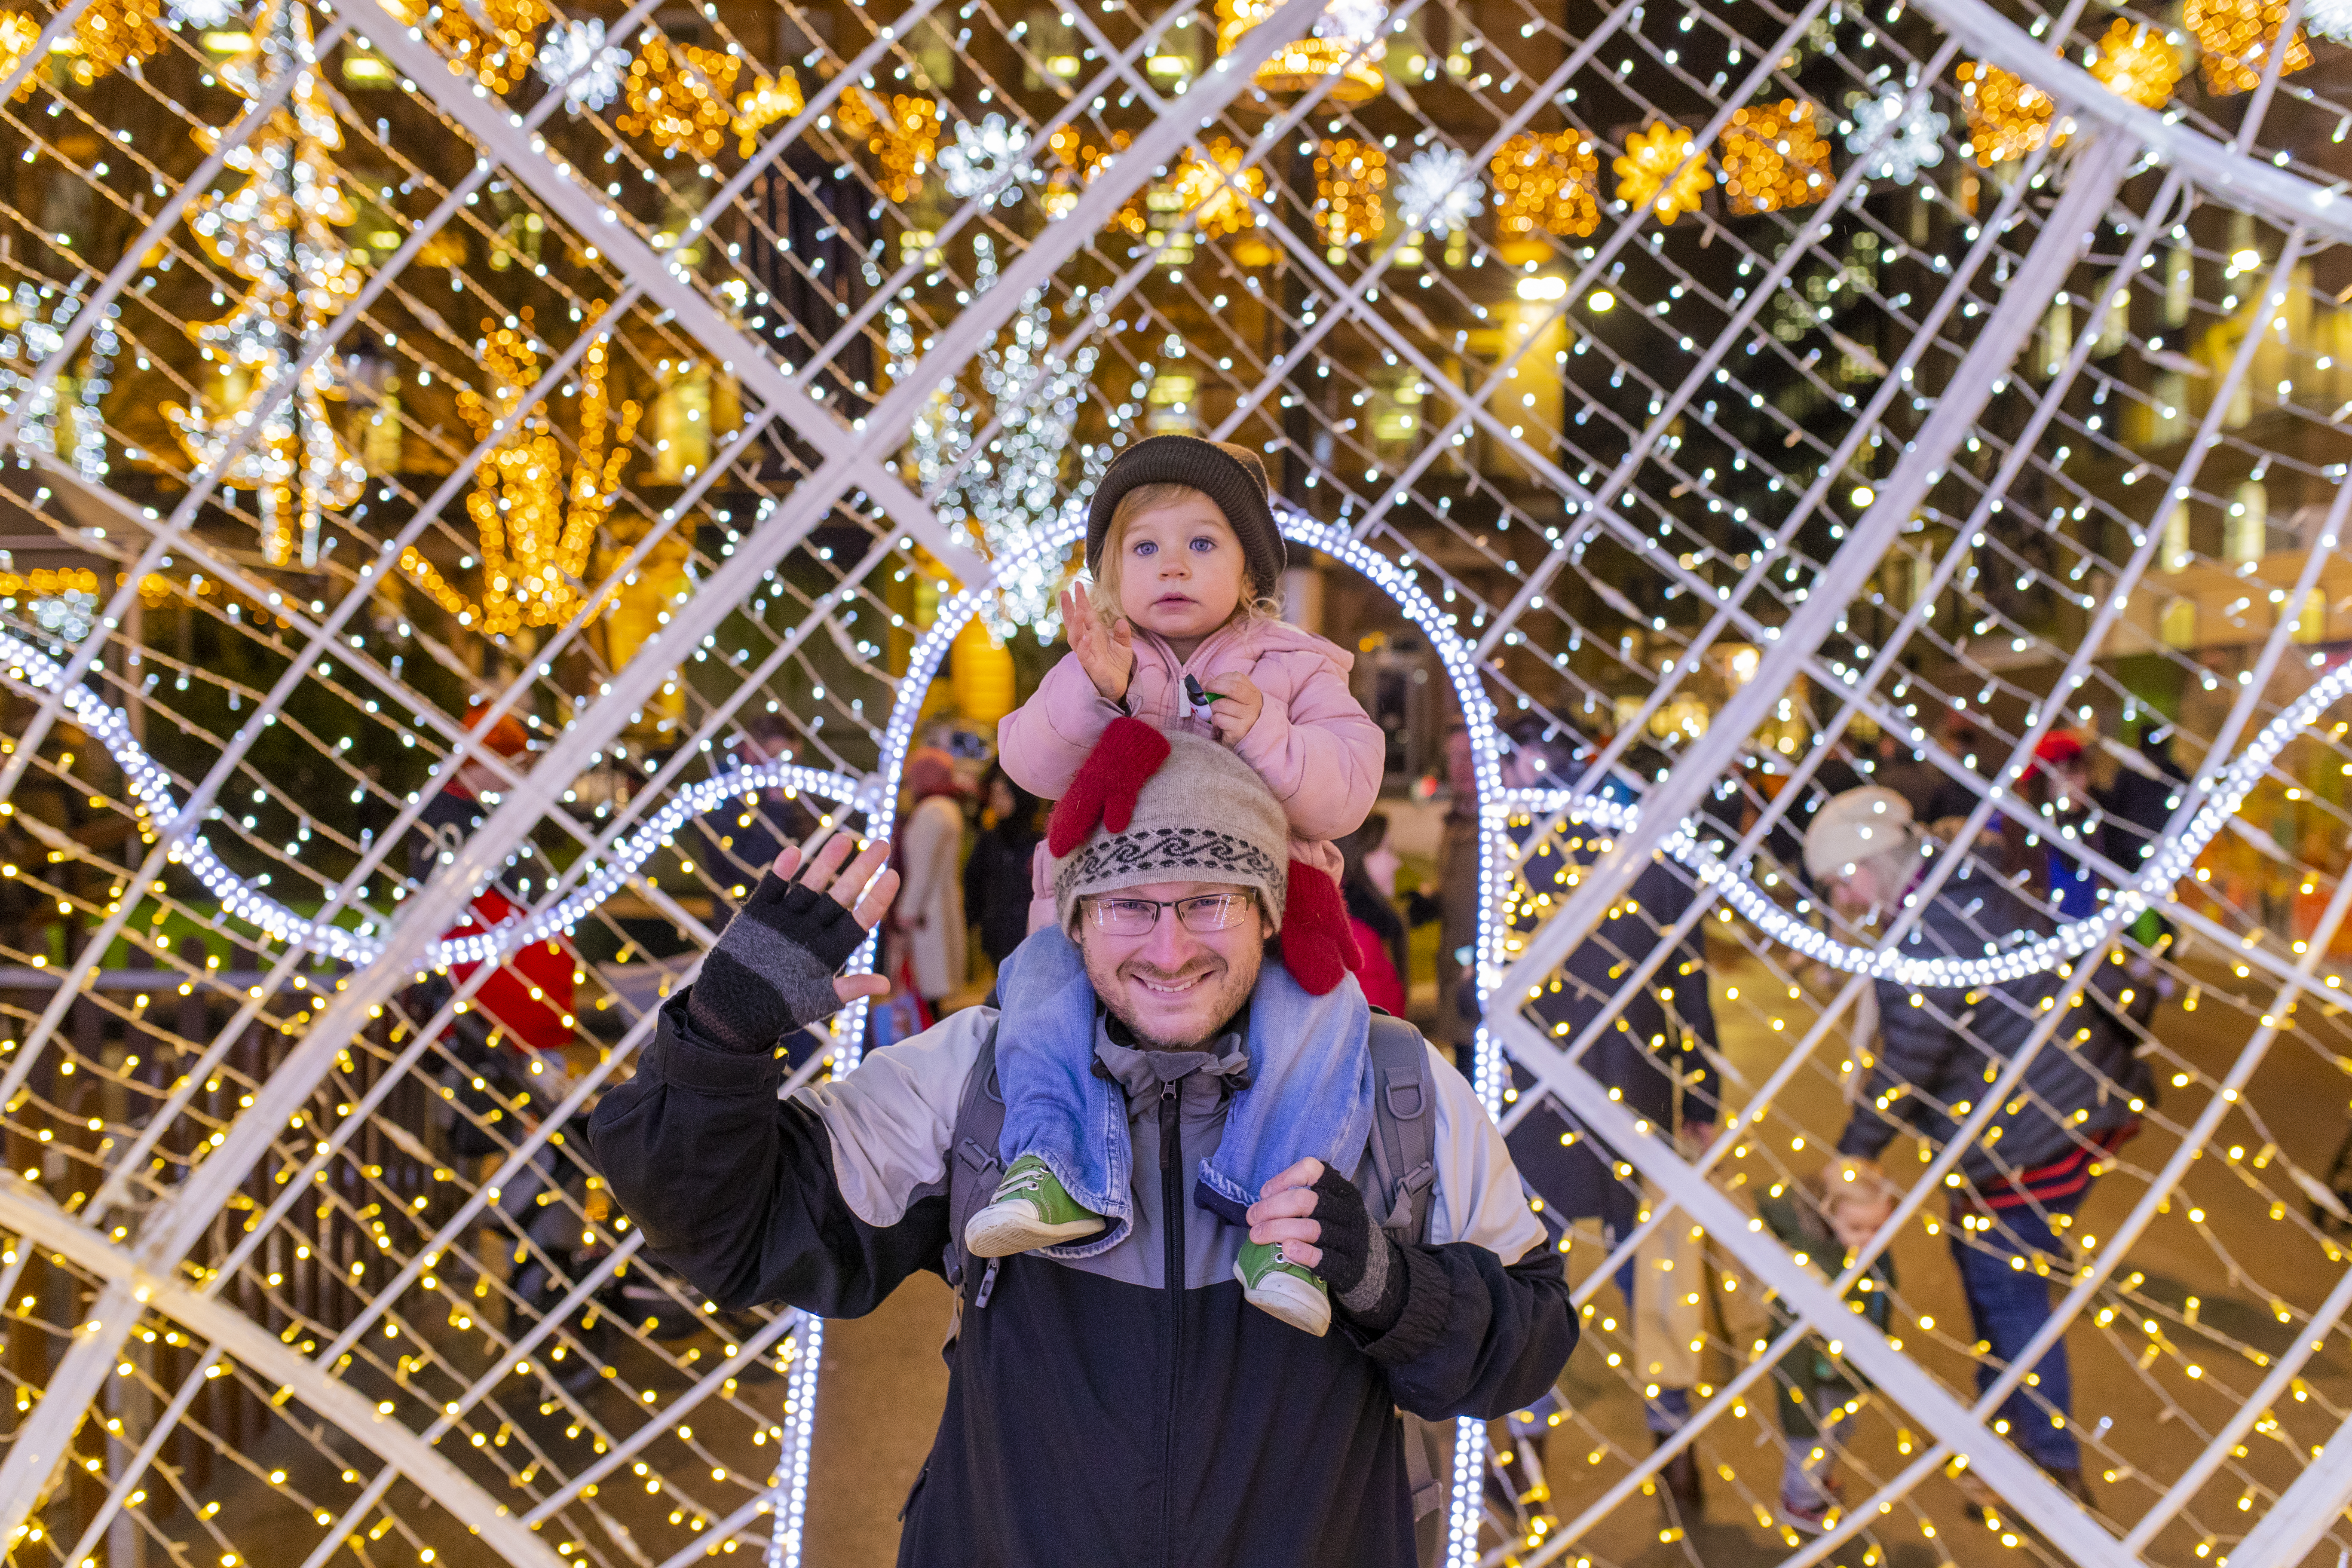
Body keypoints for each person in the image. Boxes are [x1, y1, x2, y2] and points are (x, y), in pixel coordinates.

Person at [586, 730, 1576, 1568]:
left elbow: (1525, 1344)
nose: (1169, 946)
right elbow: (730, 1233)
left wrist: (1386, 1285)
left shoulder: (1389, 1088)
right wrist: (719, 1034)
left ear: (1269, 908)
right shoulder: (978, 1078)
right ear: (1077, 918)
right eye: (1130, 905)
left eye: (1208, 900)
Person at [982, 434, 1387, 1330]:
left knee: (1323, 1018)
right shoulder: (1100, 660)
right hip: (1102, 921)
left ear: (1249, 569)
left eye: (1203, 543)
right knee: (1038, 990)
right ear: (1110, 573)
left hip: (1262, 921)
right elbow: (1029, 761)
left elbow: (1350, 786)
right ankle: (1053, 1165)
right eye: (1145, 546)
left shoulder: (1294, 667)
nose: (1173, 565)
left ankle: (1280, 1212)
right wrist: (1095, 694)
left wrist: (1272, 736)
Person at [1803, 787, 2153, 1511]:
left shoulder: (1926, 933)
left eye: (1841, 880)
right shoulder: (1963, 876)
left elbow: (1910, 1056)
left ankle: (2052, 1471)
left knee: (2009, 1289)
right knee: (1992, 1268)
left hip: (2027, 1129)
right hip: (2071, 1103)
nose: (1842, 897)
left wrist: (1852, 1150)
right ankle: (1999, 1445)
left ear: (1868, 864)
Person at [1491, 720, 1721, 1515]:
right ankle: (1675, 1451)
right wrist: (1703, 1098)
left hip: (1531, 1110)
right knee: (1657, 1281)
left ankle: (1527, 1463)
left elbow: (1468, 994)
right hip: (1637, 1098)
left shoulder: (1505, 856)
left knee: (1530, 1286)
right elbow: (1688, 986)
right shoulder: (1647, 852)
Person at [1755, 1164, 1899, 1534]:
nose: (1868, 1238)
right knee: (1812, 1442)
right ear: (1828, 1214)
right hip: (1813, 1379)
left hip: (1846, 1371)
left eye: (1878, 1228)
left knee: (1840, 1431)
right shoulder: (1811, 1269)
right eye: (1856, 1228)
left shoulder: (1871, 1257)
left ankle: (1817, 1482)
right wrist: (1798, 1411)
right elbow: (1791, 1351)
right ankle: (1801, 1503)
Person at [891, 746, 968, 1012]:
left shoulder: (931, 812)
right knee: (934, 990)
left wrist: (906, 911)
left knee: (927, 988)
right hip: (940, 904)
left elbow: (921, 870)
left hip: (927, 913)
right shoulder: (948, 807)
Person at [962, 761, 1045, 972]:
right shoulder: (990, 839)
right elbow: (974, 880)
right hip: (996, 934)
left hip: (1032, 935)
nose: (997, 802)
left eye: (1004, 794)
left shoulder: (1040, 840)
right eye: (994, 794)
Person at [1339, 815, 1409, 1017]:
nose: (1396, 863)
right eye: (1386, 850)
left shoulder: (1372, 926)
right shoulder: (1358, 940)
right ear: (1360, 856)